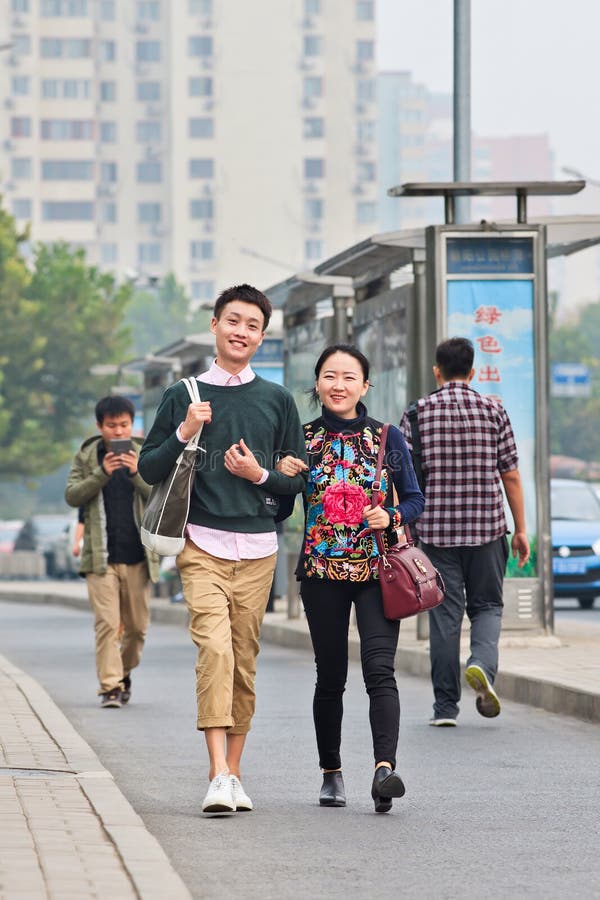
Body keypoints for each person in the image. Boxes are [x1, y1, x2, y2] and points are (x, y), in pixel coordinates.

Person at [138, 283, 307, 816]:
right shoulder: (182, 396)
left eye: (252, 325)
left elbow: (295, 482)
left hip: (258, 550)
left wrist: (258, 474)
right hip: (201, 545)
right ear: (215, 325)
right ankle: (217, 774)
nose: (241, 332)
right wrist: (185, 431)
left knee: (244, 663)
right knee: (214, 651)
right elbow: (146, 469)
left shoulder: (277, 400)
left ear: (262, 335)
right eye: (233, 321)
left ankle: (236, 771)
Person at [276, 344, 424, 813]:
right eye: (329, 376)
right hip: (320, 572)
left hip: (377, 572)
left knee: (380, 671)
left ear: (365, 385)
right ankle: (331, 772)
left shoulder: (387, 438)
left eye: (349, 376)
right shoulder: (300, 440)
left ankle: (385, 769)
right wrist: (278, 476)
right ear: (316, 383)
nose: (338, 385)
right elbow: (280, 509)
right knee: (331, 676)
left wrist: (393, 516)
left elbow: (417, 500)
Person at [400, 337, 530, 727]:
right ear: (472, 372)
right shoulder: (494, 410)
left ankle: (445, 708)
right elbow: (510, 474)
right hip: (488, 530)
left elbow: (403, 476)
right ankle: (482, 667)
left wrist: (405, 529)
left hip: (436, 534)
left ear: (437, 371)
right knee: (488, 606)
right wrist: (521, 529)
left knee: (444, 618)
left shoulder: (417, 414)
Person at [65, 396, 159, 709]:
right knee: (106, 623)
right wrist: (101, 472)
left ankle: (123, 672)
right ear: (99, 427)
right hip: (100, 557)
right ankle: (110, 687)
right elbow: (72, 496)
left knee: (136, 629)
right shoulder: (87, 455)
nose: (118, 431)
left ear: (132, 425)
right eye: (111, 426)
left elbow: (160, 494)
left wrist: (136, 472)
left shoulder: (145, 451)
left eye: (124, 425)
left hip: (138, 557)